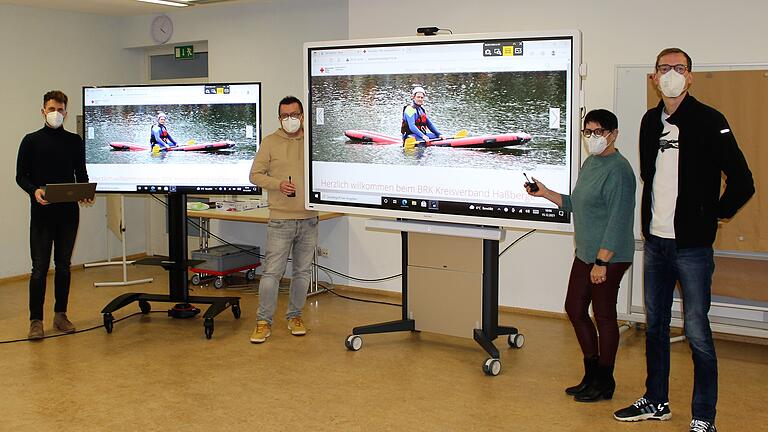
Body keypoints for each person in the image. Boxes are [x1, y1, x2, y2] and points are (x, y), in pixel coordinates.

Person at [613, 48, 754, 432]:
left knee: (696, 331)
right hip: (656, 244)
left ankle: (704, 415)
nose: (671, 74)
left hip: (692, 247)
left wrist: (715, 213)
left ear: (690, 77)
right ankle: (656, 401)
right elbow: (650, 175)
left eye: (679, 68)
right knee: (655, 326)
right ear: (653, 77)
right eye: (664, 68)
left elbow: (743, 181)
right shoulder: (648, 122)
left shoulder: (711, 120)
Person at [525, 109, 635, 403]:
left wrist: (602, 261)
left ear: (613, 134)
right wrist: (545, 192)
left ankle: (605, 380)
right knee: (574, 309)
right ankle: (591, 373)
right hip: (586, 253)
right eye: (587, 132)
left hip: (608, 256)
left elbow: (619, 219)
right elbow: (576, 203)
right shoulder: (591, 163)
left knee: (604, 316)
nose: (592, 138)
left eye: (598, 132)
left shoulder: (620, 170)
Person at [15, 90, 91, 340]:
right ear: (43, 111)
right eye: (51, 109)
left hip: (68, 214)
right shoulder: (30, 141)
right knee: (39, 268)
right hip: (41, 214)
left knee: (64, 267)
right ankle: (35, 320)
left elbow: (81, 174)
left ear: (66, 113)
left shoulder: (74, 141)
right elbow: (21, 176)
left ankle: (61, 314)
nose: (55, 113)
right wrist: (34, 190)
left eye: (60, 110)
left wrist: (85, 191)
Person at [248, 96, 318, 344]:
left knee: (301, 273)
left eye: (294, 115)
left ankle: (295, 316)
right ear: (279, 118)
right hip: (280, 220)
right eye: (285, 116)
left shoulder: (312, 140)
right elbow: (254, 175)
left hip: (309, 219)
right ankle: (263, 321)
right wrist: (277, 184)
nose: (290, 120)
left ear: (302, 115)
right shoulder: (270, 142)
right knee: (271, 274)